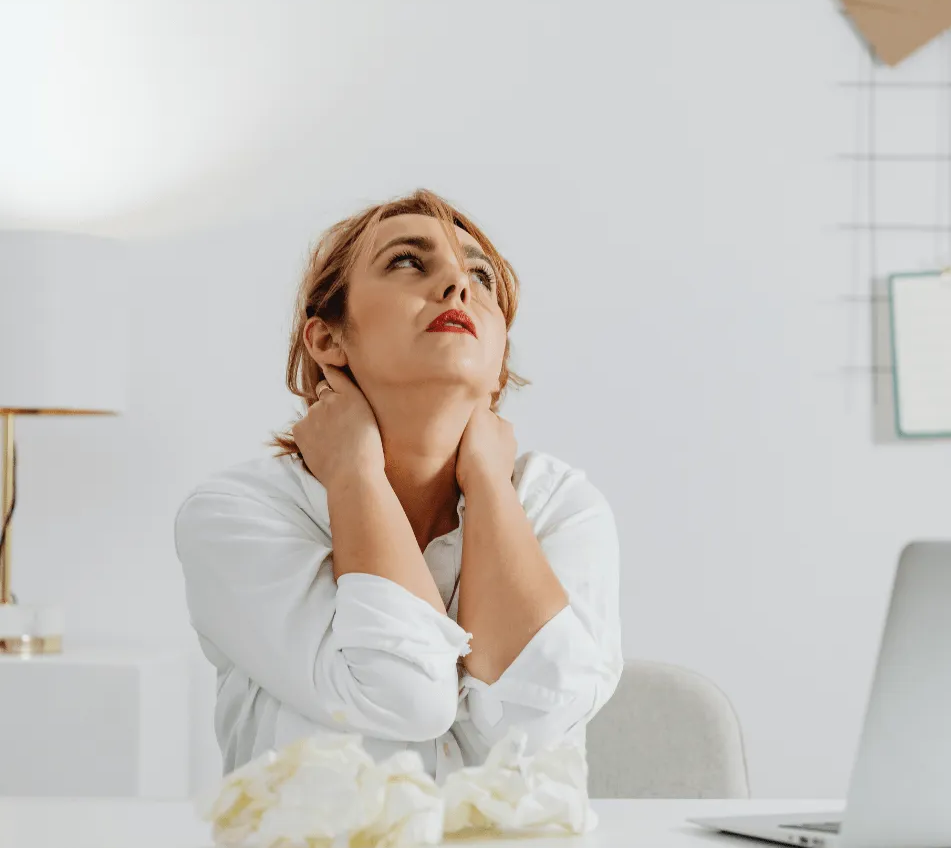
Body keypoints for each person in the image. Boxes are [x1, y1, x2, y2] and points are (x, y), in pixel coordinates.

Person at [175, 189, 622, 781]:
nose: (457, 286)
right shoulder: (236, 516)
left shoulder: (560, 505)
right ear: (328, 340)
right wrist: (356, 471)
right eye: (409, 261)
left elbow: (536, 725)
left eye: (480, 275)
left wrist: (488, 482)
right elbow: (402, 696)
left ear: (499, 361)